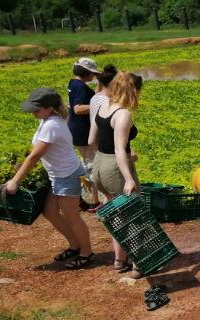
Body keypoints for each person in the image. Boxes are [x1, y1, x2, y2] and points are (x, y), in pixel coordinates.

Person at [4, 88, 93, 270]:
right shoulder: (46, 120)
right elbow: (37, 152)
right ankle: (74, 245)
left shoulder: (52, 125)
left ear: (50, 107)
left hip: (67, 175)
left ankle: (87, 253)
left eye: (37, 108)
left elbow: (35, 156)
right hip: (57, 175)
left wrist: (15, 180)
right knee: (50, 212)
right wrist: (21, 166)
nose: (33, 112)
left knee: (72, 216)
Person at [88, 71, 143, 277]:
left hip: (100, 164)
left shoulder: (103, 106)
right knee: (133, 214)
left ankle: (120, 260)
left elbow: (92, 140)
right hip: (115, 168)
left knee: (115, 213)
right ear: (133, 90)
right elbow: (120, 149)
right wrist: (129, 179)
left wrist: (104, 156)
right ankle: (138, 264)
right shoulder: (122, 114)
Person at [84, 63, 118, 212]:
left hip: (98, 144)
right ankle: (109, 216)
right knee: (113, 187)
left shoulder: (95, 97)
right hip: (108, 146)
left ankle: (104, 212)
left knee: (106, 187)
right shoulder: (107, 102)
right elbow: (109, 127)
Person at [67, 57, 100, 211]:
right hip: (83, 132)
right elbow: (78, 109)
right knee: (91, 166)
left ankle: (83, 198)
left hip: (76, 130)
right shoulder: (80, 87)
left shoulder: (73, 83)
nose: (93, 76)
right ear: (86, 72)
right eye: (92, 73)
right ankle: (93, 201)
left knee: (86, 164)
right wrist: (99, 104)